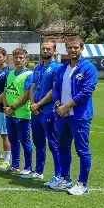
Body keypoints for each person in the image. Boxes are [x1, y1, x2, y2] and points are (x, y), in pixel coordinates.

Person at [52, 36, 98, 195]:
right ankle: (65, 179)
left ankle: (82, 184)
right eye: (70, 47)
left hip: (79, 116)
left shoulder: (89, 68)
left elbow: (86, 92)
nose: (72, 50)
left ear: (81, 48)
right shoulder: (61, 68)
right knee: (63, 148)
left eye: (75, 47)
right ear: (66, 48)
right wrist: (58, 105)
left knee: (82, 151)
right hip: (62, 116)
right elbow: (56, 88)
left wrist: (67, 106)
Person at [29, 40, 61, 186]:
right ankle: (38, 171)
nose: (45, 51)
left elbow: (54, 89)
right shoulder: (37, 67)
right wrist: (32, 105)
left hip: (48, 111)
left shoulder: (57, 68)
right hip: (36, 111)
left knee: (53, 144)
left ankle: (58, 175)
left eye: (48, 49)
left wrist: (39, 104)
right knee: (38, 142)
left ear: (54, 51)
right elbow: (33, 86)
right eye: (43, 48)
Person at [3, 48, 34, 176]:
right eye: (16, 57)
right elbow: (5, 91)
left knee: (24, 141)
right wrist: (6, 107)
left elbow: (27, 96)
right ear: (12, 59)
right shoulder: (10, 74)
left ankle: (27, 167)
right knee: (13, 140)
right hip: (9, 113)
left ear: (26, 59)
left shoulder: (29, 75)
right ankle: (15, 165)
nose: (18, 60)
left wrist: (13, 108)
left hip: (22, 114)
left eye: (21, 57)